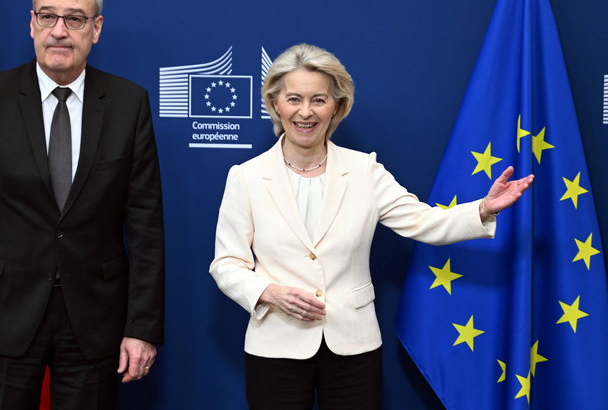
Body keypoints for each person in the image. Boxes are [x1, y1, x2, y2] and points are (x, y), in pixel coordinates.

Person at [209, 43, 533, 410]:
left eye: (319, 100)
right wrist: (268, 292)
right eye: (294, 98)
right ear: (275, 103)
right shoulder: (246, 177)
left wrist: (483, 209)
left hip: (353, 345)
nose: (305, 112)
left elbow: (423, 221)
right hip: (274, 346)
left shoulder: (365, 170)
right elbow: (227, 264)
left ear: (337, 106)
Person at [0, 0, 165, 409]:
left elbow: (146, 228)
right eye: (47, 17)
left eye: (75, 18)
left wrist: (142, 327)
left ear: (96, 29)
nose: (59, 31)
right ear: (31, 24)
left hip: (95, 323)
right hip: (2, 319)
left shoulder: (128, 103)